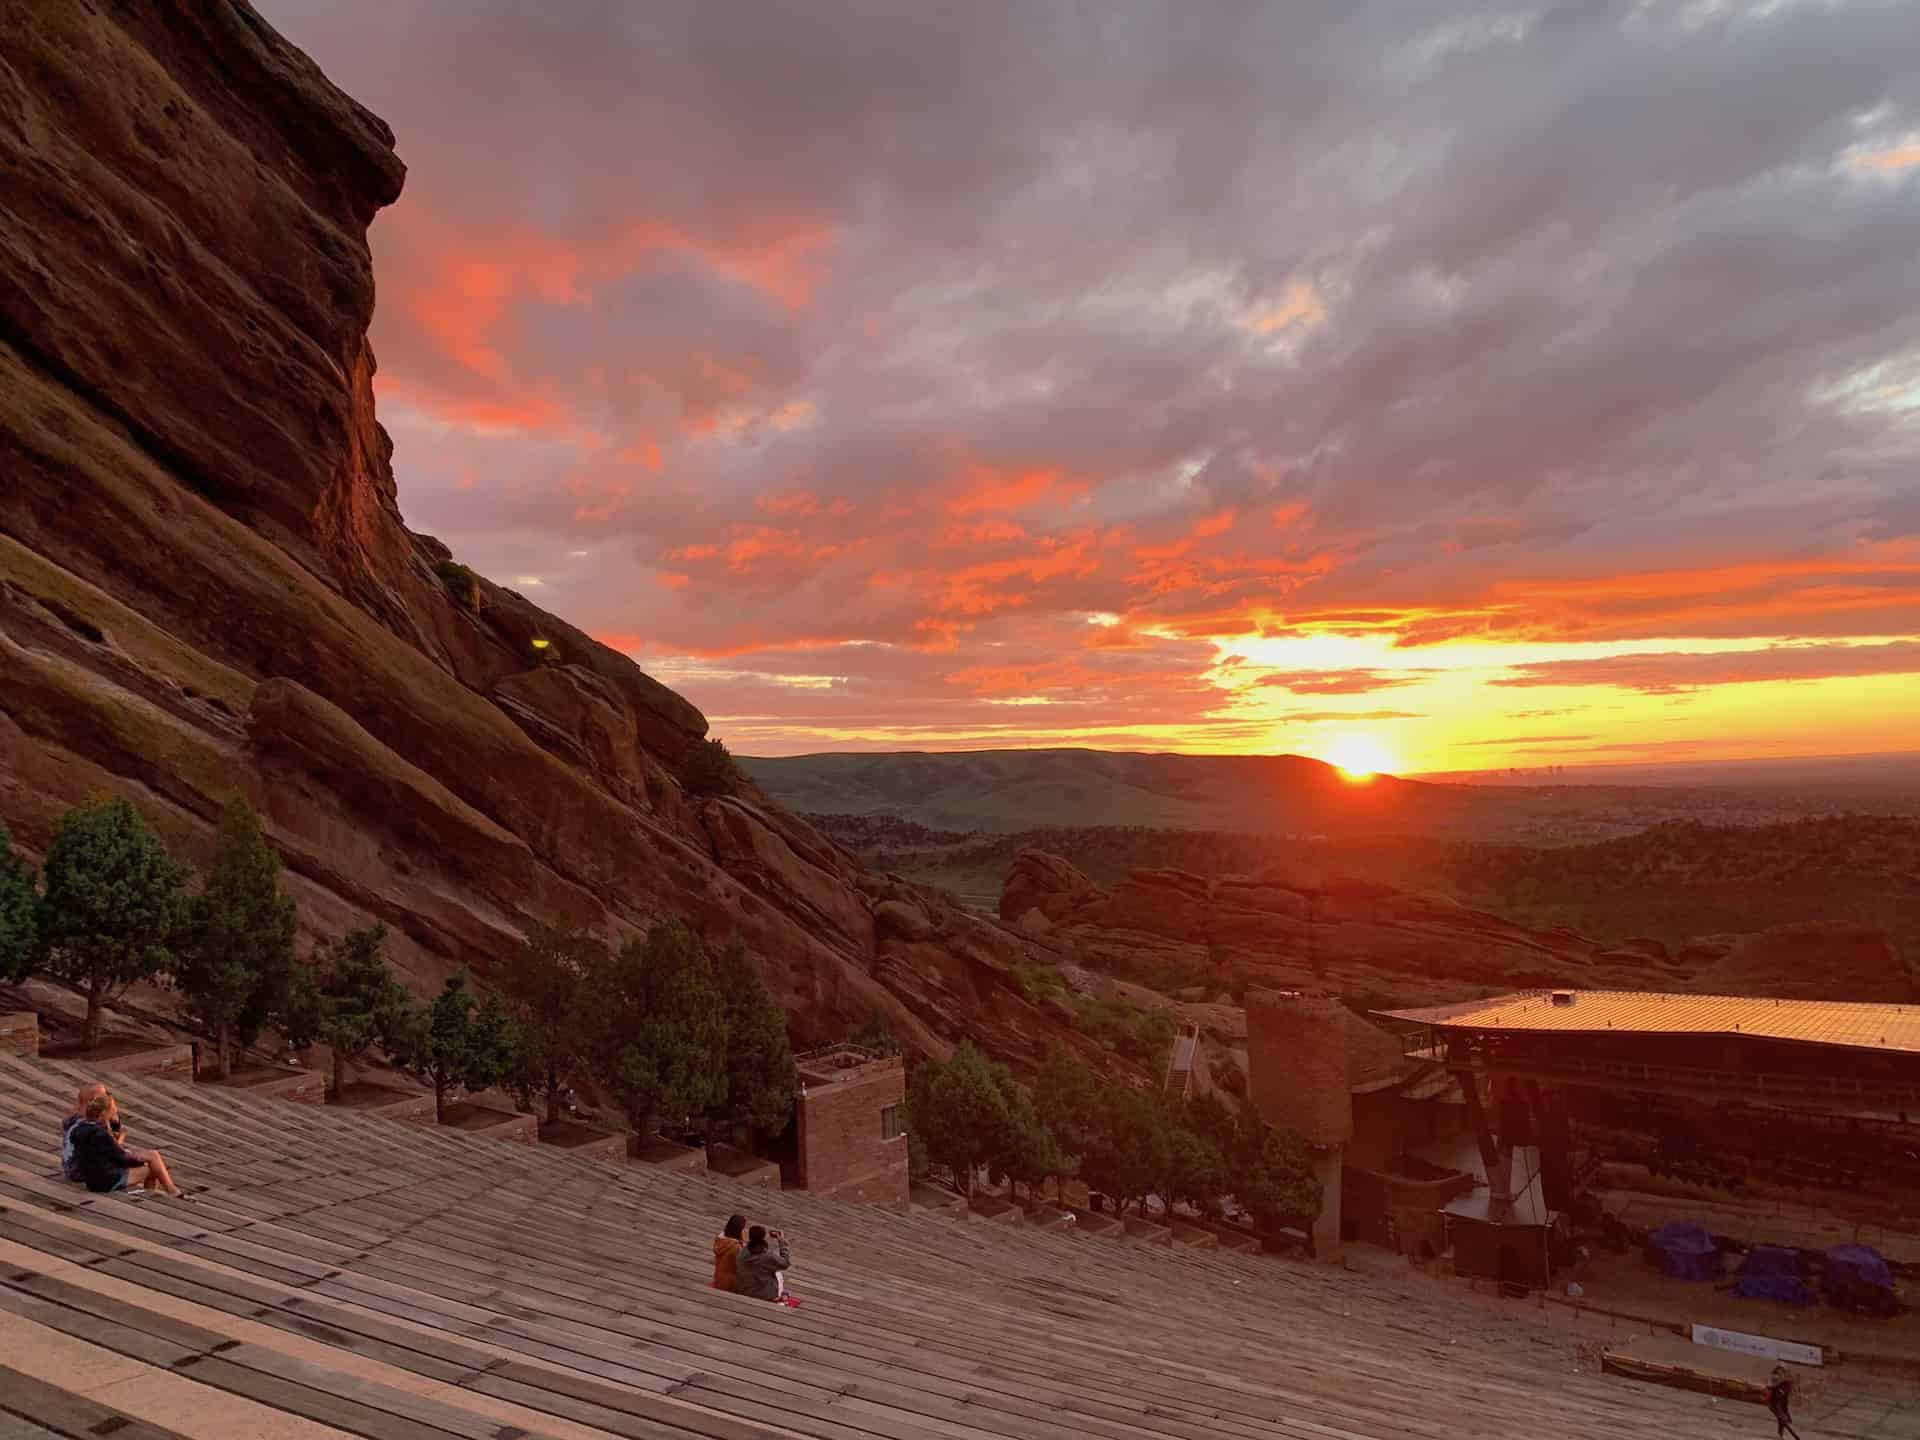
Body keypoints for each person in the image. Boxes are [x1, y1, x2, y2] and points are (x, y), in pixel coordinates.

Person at [67, 1092, 181, 1198]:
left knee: (152, 1156)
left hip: (92, 1180)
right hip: (106, 1181)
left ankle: (170, 1191)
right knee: (152, 1166)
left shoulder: (79, 1129)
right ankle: (166, 1193)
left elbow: (105, 1152)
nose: (113, 1114)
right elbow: (122, 1158)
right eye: (112, 1112)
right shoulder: (100, 1134)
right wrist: (139, 1160)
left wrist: (113, 1130)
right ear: (103, 1113)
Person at [734, 1225, 796, 1307]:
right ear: (763, 1237)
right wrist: (781, 1241)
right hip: (764, 1295)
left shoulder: (742, 1252)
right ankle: (779, 1298)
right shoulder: (767, 1256)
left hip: (744, 1290)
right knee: (779, 1274)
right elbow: (785, 1263)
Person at [61, 1082, 109, 1181]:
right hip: (83, 1172)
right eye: (104, 1095)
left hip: (69, 1168)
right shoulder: (92, 1121)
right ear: (94, 1099)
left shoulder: (70, 1117)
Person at [712, 1213, 746, 1291]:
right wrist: (743, 1242)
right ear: (739, 1230)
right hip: (730, 1284)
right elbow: (744, 1264)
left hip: (718, 1278)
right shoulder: (736, 1247)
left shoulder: (720, 1240)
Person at [1767, 1364, 1801, 1440]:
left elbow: (1785, 1405)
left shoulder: (1785, 1391)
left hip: (1777, 1404)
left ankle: (1780, 1434)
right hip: (1773, 1404)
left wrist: (1788, 1414)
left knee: (1782, 1419)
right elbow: (1772, 1389)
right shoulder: (1778, 1385)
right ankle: (1794, 1435)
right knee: (1783, 1419)